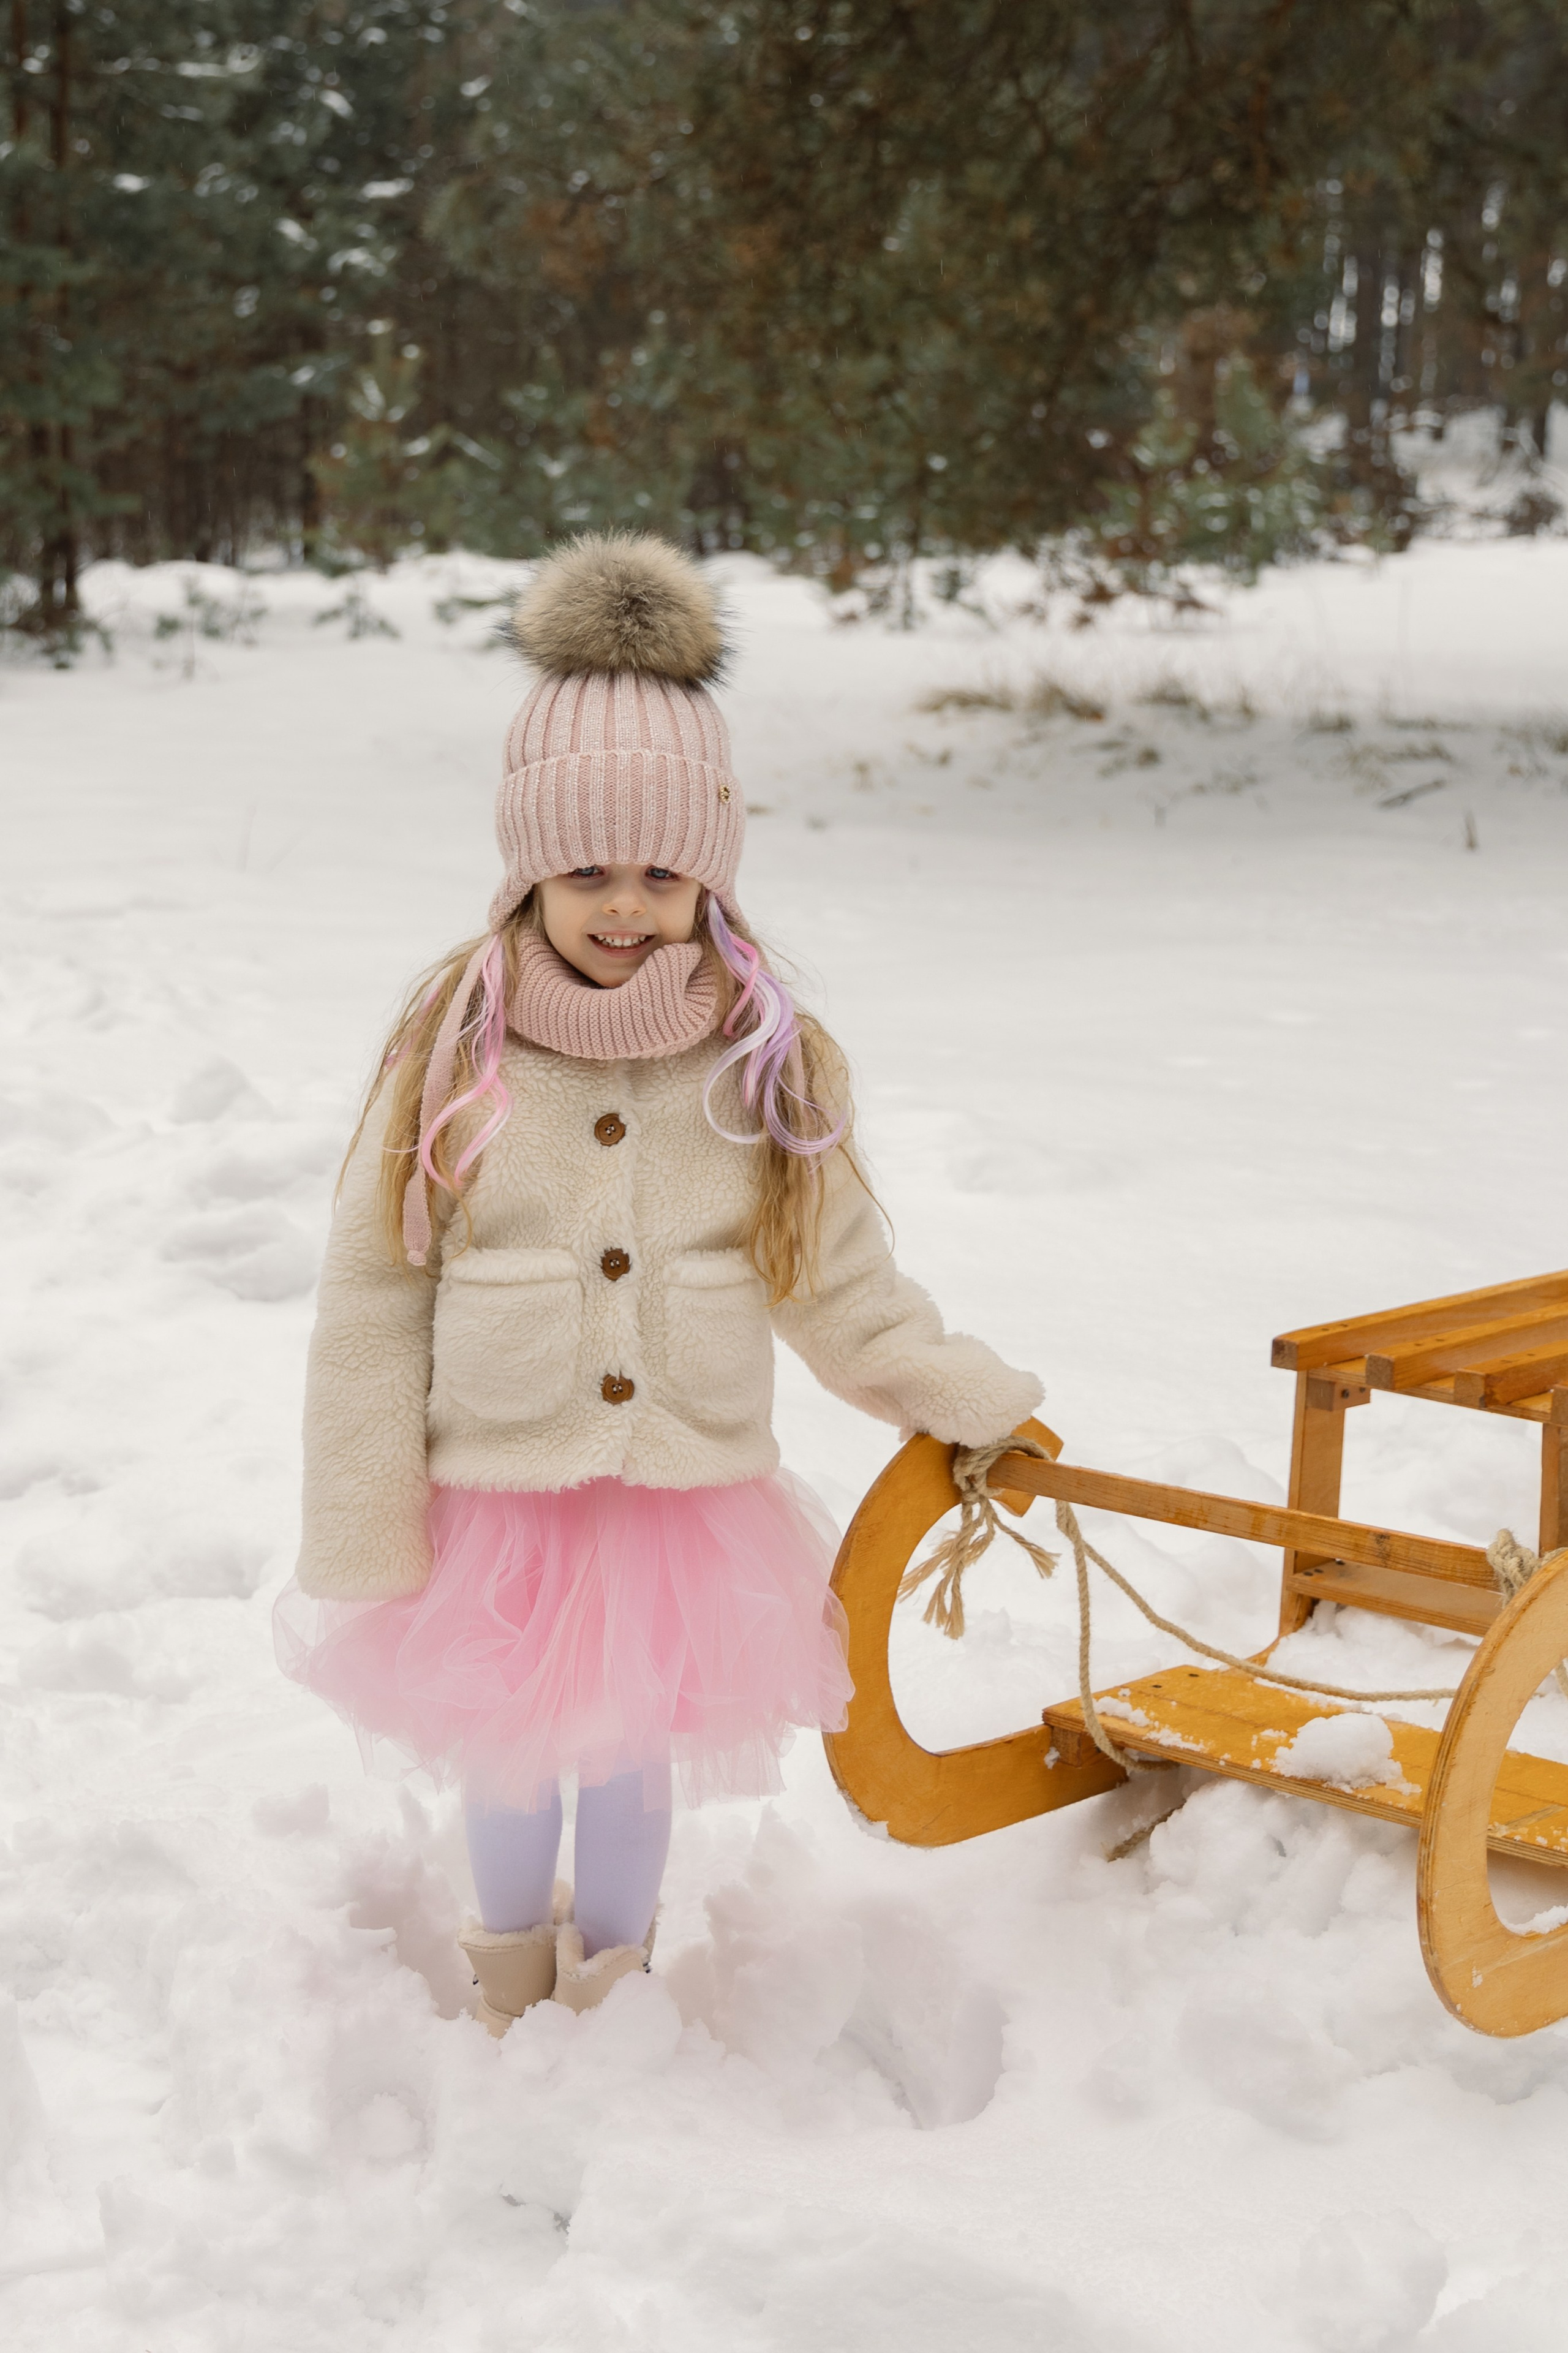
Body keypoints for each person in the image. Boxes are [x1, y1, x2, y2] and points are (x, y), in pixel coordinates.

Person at [274, 532, 1042, 2033]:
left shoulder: (763, 1057)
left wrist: (956, 1392)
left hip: (679, 1496)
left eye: (662, 872)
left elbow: (832, 1279)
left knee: (626, 1746)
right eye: (584, 870)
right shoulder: (453, 1050)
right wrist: (360, 1518)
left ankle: (610, 1983)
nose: (623, 905)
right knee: (510, 1742)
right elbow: (372, 1301)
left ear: (710, 871)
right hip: (503, 1493)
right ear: (525, 866)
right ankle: (509, 1972)